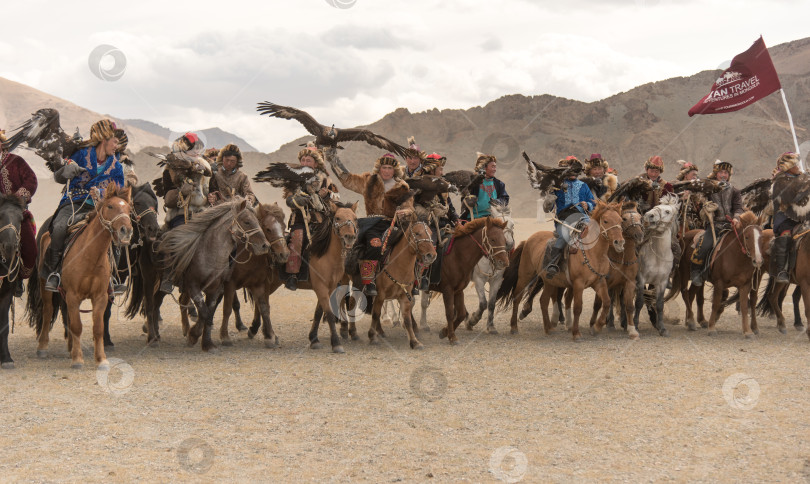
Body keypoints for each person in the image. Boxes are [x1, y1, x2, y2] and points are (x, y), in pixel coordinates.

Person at [44, 119, 125, 292]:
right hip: (73, 202)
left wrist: (102, 195)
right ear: (105, 139)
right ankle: (56, 273)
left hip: (100, 208)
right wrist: (67, 170)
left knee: (117, 231)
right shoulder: (81, 154)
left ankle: (112, 277)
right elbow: (59, 176)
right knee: (58, 227)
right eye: (115, 142)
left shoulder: (117, 167)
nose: (116, 146)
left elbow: (118, 192)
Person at [326, 147, 413, 296]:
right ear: (379, 169)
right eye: (384, 168)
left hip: (393, 224)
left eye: (390, 168)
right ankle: (368, 281)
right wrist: (333, 159)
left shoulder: (403, 188)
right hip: (372, 225)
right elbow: (347, 180)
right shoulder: (368, 182)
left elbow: (410, 209)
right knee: (375, 244)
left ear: (395, 170)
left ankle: (414, 281)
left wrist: (404, 212)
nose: (386, 171)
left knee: (417, 244)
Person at [283, 145, 339, 291]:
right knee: (297, 239)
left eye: (309, 160)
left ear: (316, 163)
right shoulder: (293, 179)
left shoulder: (325, 179)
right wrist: (301, 200)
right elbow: (288, 199)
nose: (305, 163)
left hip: (321, 220)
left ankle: (337, 273)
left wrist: (327, 195)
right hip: (300, 219)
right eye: (303, 160)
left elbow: (337, 197)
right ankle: (292, 275)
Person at [689, 160, 744, 287]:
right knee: (704, 245)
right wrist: (705, 206)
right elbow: (699, 200)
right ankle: (696, 271)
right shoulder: (708, 188)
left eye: (726, 173)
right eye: (721, 172)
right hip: (715, 226)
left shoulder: (735, 191)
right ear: (716, 174)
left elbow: (739, 208)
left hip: (731, 226)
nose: (723, 175)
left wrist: (736, 218)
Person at [541, 156, 594, 277]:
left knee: (595, 233)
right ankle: (552, 264)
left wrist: (588, 204)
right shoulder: (556, 186)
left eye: (576, 170)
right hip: (563, 219)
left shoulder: (583, 186)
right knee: (564, 236)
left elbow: (593, 203)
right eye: (570, 170)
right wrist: (549, 199)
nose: (573, 173)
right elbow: (547, 209)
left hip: (582, 217)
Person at [0, 129, 38, 296]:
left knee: (30, 247)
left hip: (15, 211)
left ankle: (18, 278)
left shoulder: (16, 161)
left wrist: (18, 198)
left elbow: (31, 180)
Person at [415, 152, 458, 291]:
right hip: (431, 225)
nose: (442, 172)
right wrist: (430, 210)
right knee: (431, 245)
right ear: (432, 169)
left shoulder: (444, 185)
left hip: (445, 224)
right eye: (440, 169)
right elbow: (416, 204)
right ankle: (424, 276)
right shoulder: (421, 184)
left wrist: (456, 219)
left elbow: (449, 206)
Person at [770, 152, 802, 283]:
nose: (798, 166)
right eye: (795, 164)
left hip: (803, 217)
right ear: (788, 166)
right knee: (786, 235)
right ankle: (782, 270)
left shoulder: (803, 178)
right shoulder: (780, 181)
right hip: (785, 218)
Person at [460, 153, 509, 220]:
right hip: (473, 217)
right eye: (492, 167)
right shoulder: (473, 183)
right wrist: (468, 200)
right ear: (484, 168)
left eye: (495, 167)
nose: (495, 169)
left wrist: (498, 202)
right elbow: (463, 198)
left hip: (492, 217)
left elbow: (505, 198)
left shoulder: (499, 184)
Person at [675, 160, 703, 232]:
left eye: (696, 175)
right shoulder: (676, 187)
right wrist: (682, 198)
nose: (695, 177)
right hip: (680, 223)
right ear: (685, 175)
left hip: (696, 222)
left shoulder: (696, 189)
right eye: (693, 174)